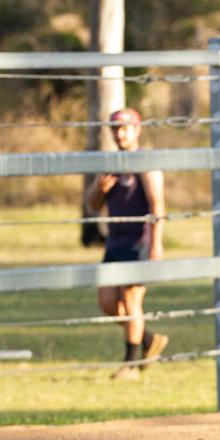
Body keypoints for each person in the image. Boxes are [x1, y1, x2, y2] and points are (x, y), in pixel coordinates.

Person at [86, 108, 169, 380]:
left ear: (137, 129)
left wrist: (156, 244)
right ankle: (148, 339)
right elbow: (92, 205)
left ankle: (130, 365)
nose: (120, 134)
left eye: (125, 128)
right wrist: (99, 190)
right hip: (115, 243)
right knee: (108, 303)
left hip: (138, 242)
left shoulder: (145, 162)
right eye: (115, 129)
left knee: (131, 300)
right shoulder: (111, 163)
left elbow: (157, 206)